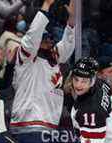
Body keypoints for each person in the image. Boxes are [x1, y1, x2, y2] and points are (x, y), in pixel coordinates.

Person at [9, 0, 75, 134]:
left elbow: (68, 43)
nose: (49, 41)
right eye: (44, 39)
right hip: (27, 123)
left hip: (50, 125)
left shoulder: (54, 57)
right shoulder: (26, 59)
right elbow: (33, 36)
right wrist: (46, 6)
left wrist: (72, 19)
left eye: (50, 39)